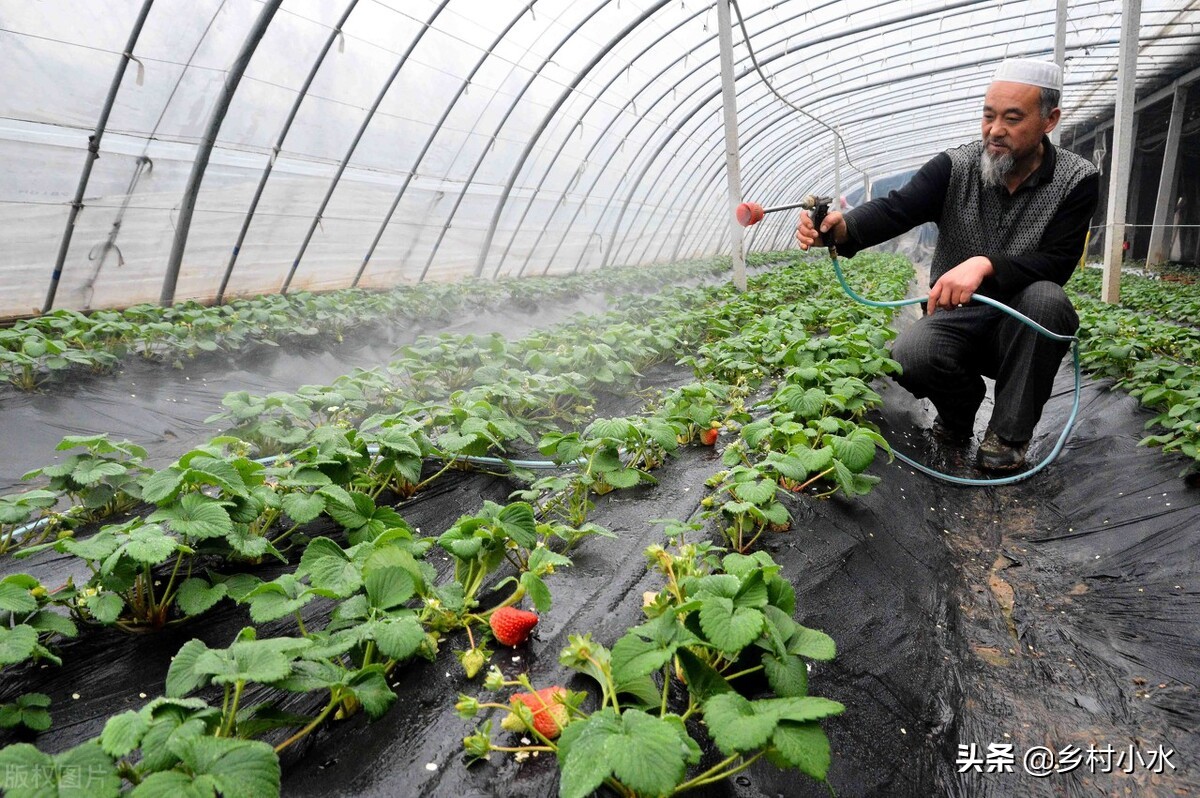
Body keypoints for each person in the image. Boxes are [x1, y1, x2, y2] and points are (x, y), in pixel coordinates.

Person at [796, 59, 1099, 472]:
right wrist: (843, 228)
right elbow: (898, 207)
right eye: (988, 115)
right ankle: (958, 416)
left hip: (1022, 324)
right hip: (956, 315)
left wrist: (984, 264)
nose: (994, 129)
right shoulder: (956, 167)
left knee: (1049, 299)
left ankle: (1008, 436)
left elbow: (1059, 260)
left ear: (1050, 120)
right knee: (911, 353)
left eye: (1012, 118)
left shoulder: (1076, 179)